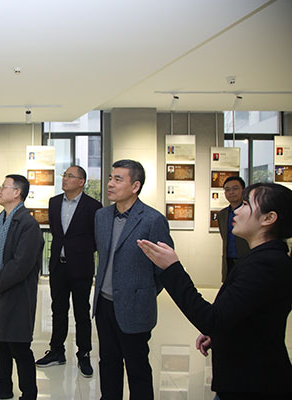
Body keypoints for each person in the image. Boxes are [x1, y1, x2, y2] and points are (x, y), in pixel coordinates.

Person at [137, 183, 292, 399]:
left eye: (246, 204)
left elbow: (212, 319)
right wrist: (221, 334)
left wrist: (172, 269)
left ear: (269, 218)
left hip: (254, 383)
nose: (237, 210)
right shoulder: (262, 258)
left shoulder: (266, 265)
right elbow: (247, 317)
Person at [92, 159, 173, 399]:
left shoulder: (152, 220)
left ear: (135, 186)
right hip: (104, 304)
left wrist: (141, 292)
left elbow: (164, 269)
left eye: (118, 179)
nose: (110, 184)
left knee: (137, 368)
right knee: (108, 363)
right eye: (110, 178)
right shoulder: (101, 216)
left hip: (135, 306)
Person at [0, 174, 43, 400]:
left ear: (16, 193)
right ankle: (3, 387)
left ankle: (29, 393)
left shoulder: (28, 224)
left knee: (18, 347)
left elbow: (20, 265)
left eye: (4, 187)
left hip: (16, 295)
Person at [35, 166, 101, 378]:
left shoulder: (93, 206)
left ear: (81, 182)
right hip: (58, 266)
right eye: (64, 175)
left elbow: (97, 238)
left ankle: (84, 353)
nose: (65, 179)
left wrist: (80, 252)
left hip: (81, 267)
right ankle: (56, 351)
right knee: (58, 309)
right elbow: (57, 232)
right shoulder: (54, 202)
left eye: (70, 176)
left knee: (82, 312)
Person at [217, 176, 250, 282]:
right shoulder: (222, 215)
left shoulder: (250, 211)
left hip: (247, 260)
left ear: (243, 190)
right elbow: (224, 237)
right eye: (227, 190)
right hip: (229, 261)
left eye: (235, 188)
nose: (231, 192)